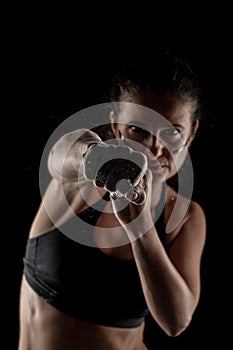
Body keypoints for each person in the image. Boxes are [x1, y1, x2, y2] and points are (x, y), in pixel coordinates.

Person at [18, 51, 206, 350]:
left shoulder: (182, 217)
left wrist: (140, 229)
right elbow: (62, 153)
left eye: (172, 132)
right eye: (138, 130)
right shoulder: (79, 181)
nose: (154, 149)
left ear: (192, 134)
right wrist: (95, 158)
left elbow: (176, 321)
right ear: (116, 124)